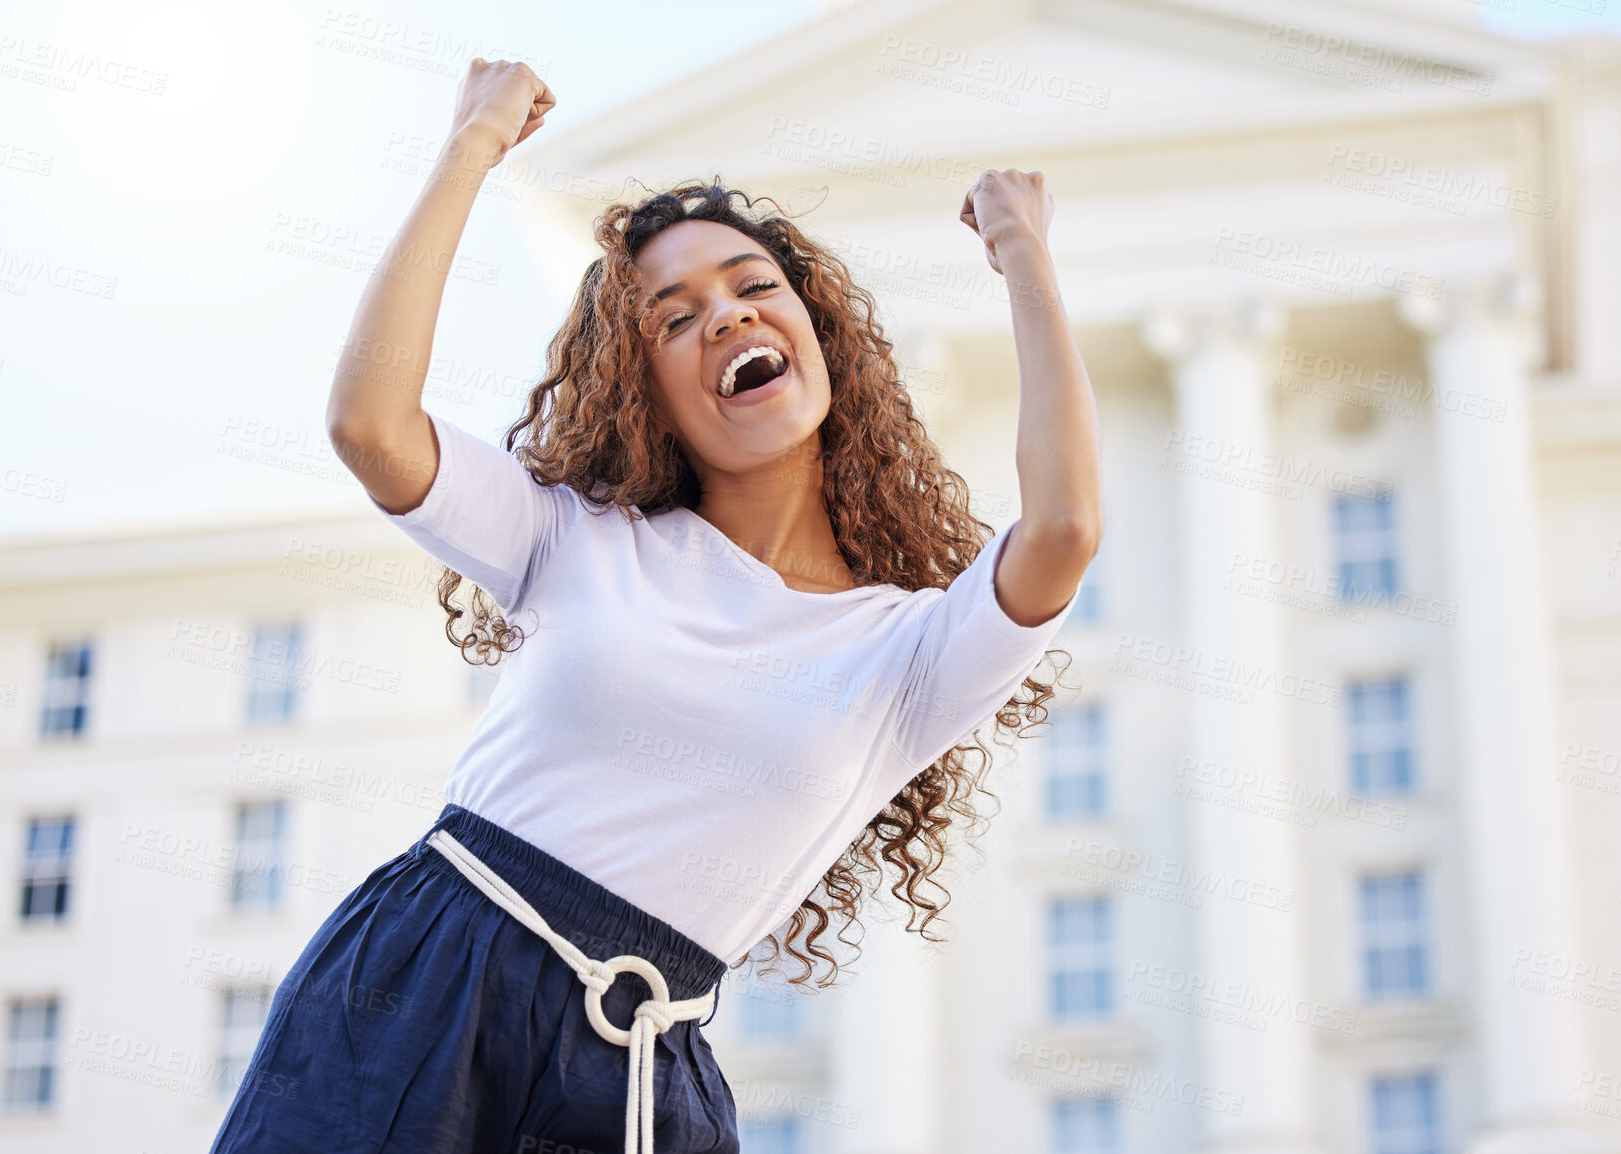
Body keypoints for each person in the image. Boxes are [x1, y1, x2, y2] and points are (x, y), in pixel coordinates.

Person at [209, 56, 1101, 1154]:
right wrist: (472, 148)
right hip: (425, 975)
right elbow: (371, 426)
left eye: (752, 285)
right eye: (673, 319)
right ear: (647, 387)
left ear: (817, 329)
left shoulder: (910, 653)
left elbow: (1062, 532)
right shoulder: (574, 536)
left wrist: (1023, 254)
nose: (724, 317)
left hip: (638, 1059)